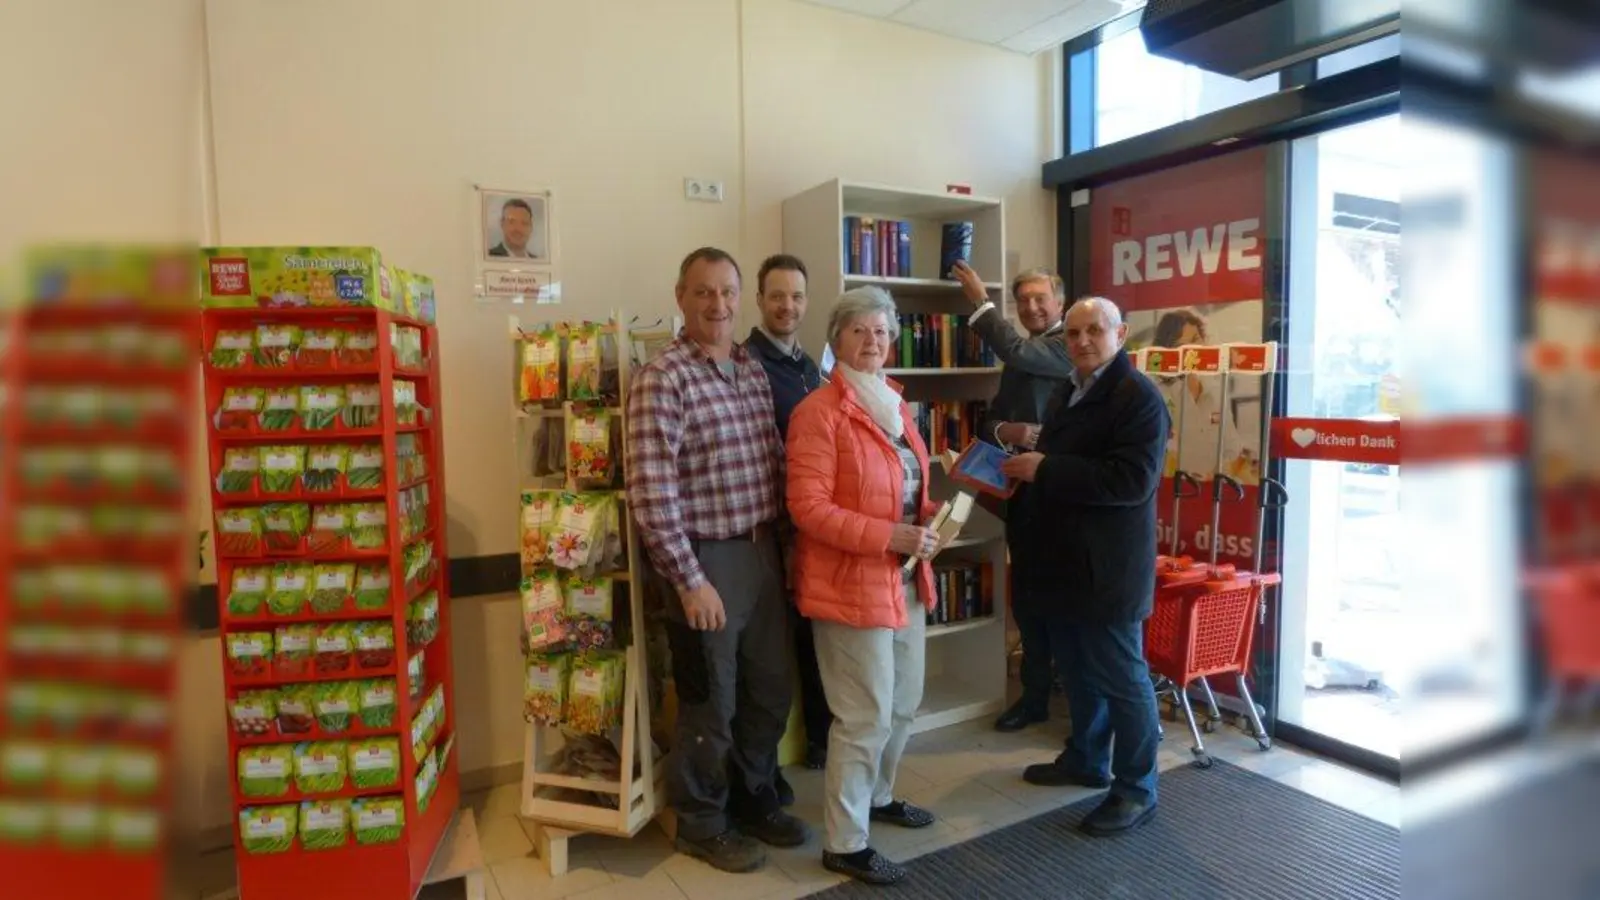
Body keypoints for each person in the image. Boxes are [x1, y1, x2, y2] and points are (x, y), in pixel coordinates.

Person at [626, 247, 809, 873]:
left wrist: (788, 549)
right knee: (711, 703)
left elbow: (776, 464)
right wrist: (688, 580)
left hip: (762, 553)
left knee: (770, 691)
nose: (718, 304)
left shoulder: (753, 370)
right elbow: (652, 491)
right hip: (706, 560)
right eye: (704, 292)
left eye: (728, 292)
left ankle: (755, 797)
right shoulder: (662, 378)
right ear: (681, 297)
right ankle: (702, 822)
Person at [786, 286, 943, 886]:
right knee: (864, 714)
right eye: (860, 331)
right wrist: (889, 536)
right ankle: (845, 843)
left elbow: (902, 488)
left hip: (903, 577)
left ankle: (878, 797)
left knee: (903, 702)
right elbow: (808, 507)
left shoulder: (895, 405)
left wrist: (928, 521)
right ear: (836, 341)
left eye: (881, 331)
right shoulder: (818, 412)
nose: (873, 341)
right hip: (849, 582)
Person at [999, 296, 1168, 837]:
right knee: (1076, 673)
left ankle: (1137, 788)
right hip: (1063, 564)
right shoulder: (1072, 388)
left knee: (1122, 679)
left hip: (1107, 570)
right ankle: (1086, 760)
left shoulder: (1137, 396)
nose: (1083, 342)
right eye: (1073, 334)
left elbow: (1129, 482)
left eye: (1095, 330)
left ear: (1121, 332)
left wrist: (1045, 469)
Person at [952, 261, 1073, 733]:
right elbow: (989, 423)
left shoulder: (1066, 345)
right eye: (1022, 301)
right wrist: (1009, 429)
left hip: (1061, 498)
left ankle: (1069, 703)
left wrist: (981, 301)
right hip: (1021, 496)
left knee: (1060, 603)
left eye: (1040, 298)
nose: (1031, 307)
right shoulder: (1024, 357)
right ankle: (1034, 698)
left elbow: (1019, 350)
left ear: (1060, 303)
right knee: (1026, 602)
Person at [744, 253, 833, 772]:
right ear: (759, 301)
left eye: (797, 296)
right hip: (770, 531)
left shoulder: (812, 368)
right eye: (776, 295)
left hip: (815, 524)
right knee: (770, 652)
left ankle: (821, 740)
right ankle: (766, 767)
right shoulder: (746, 364)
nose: (787, 305)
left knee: (815, 635)